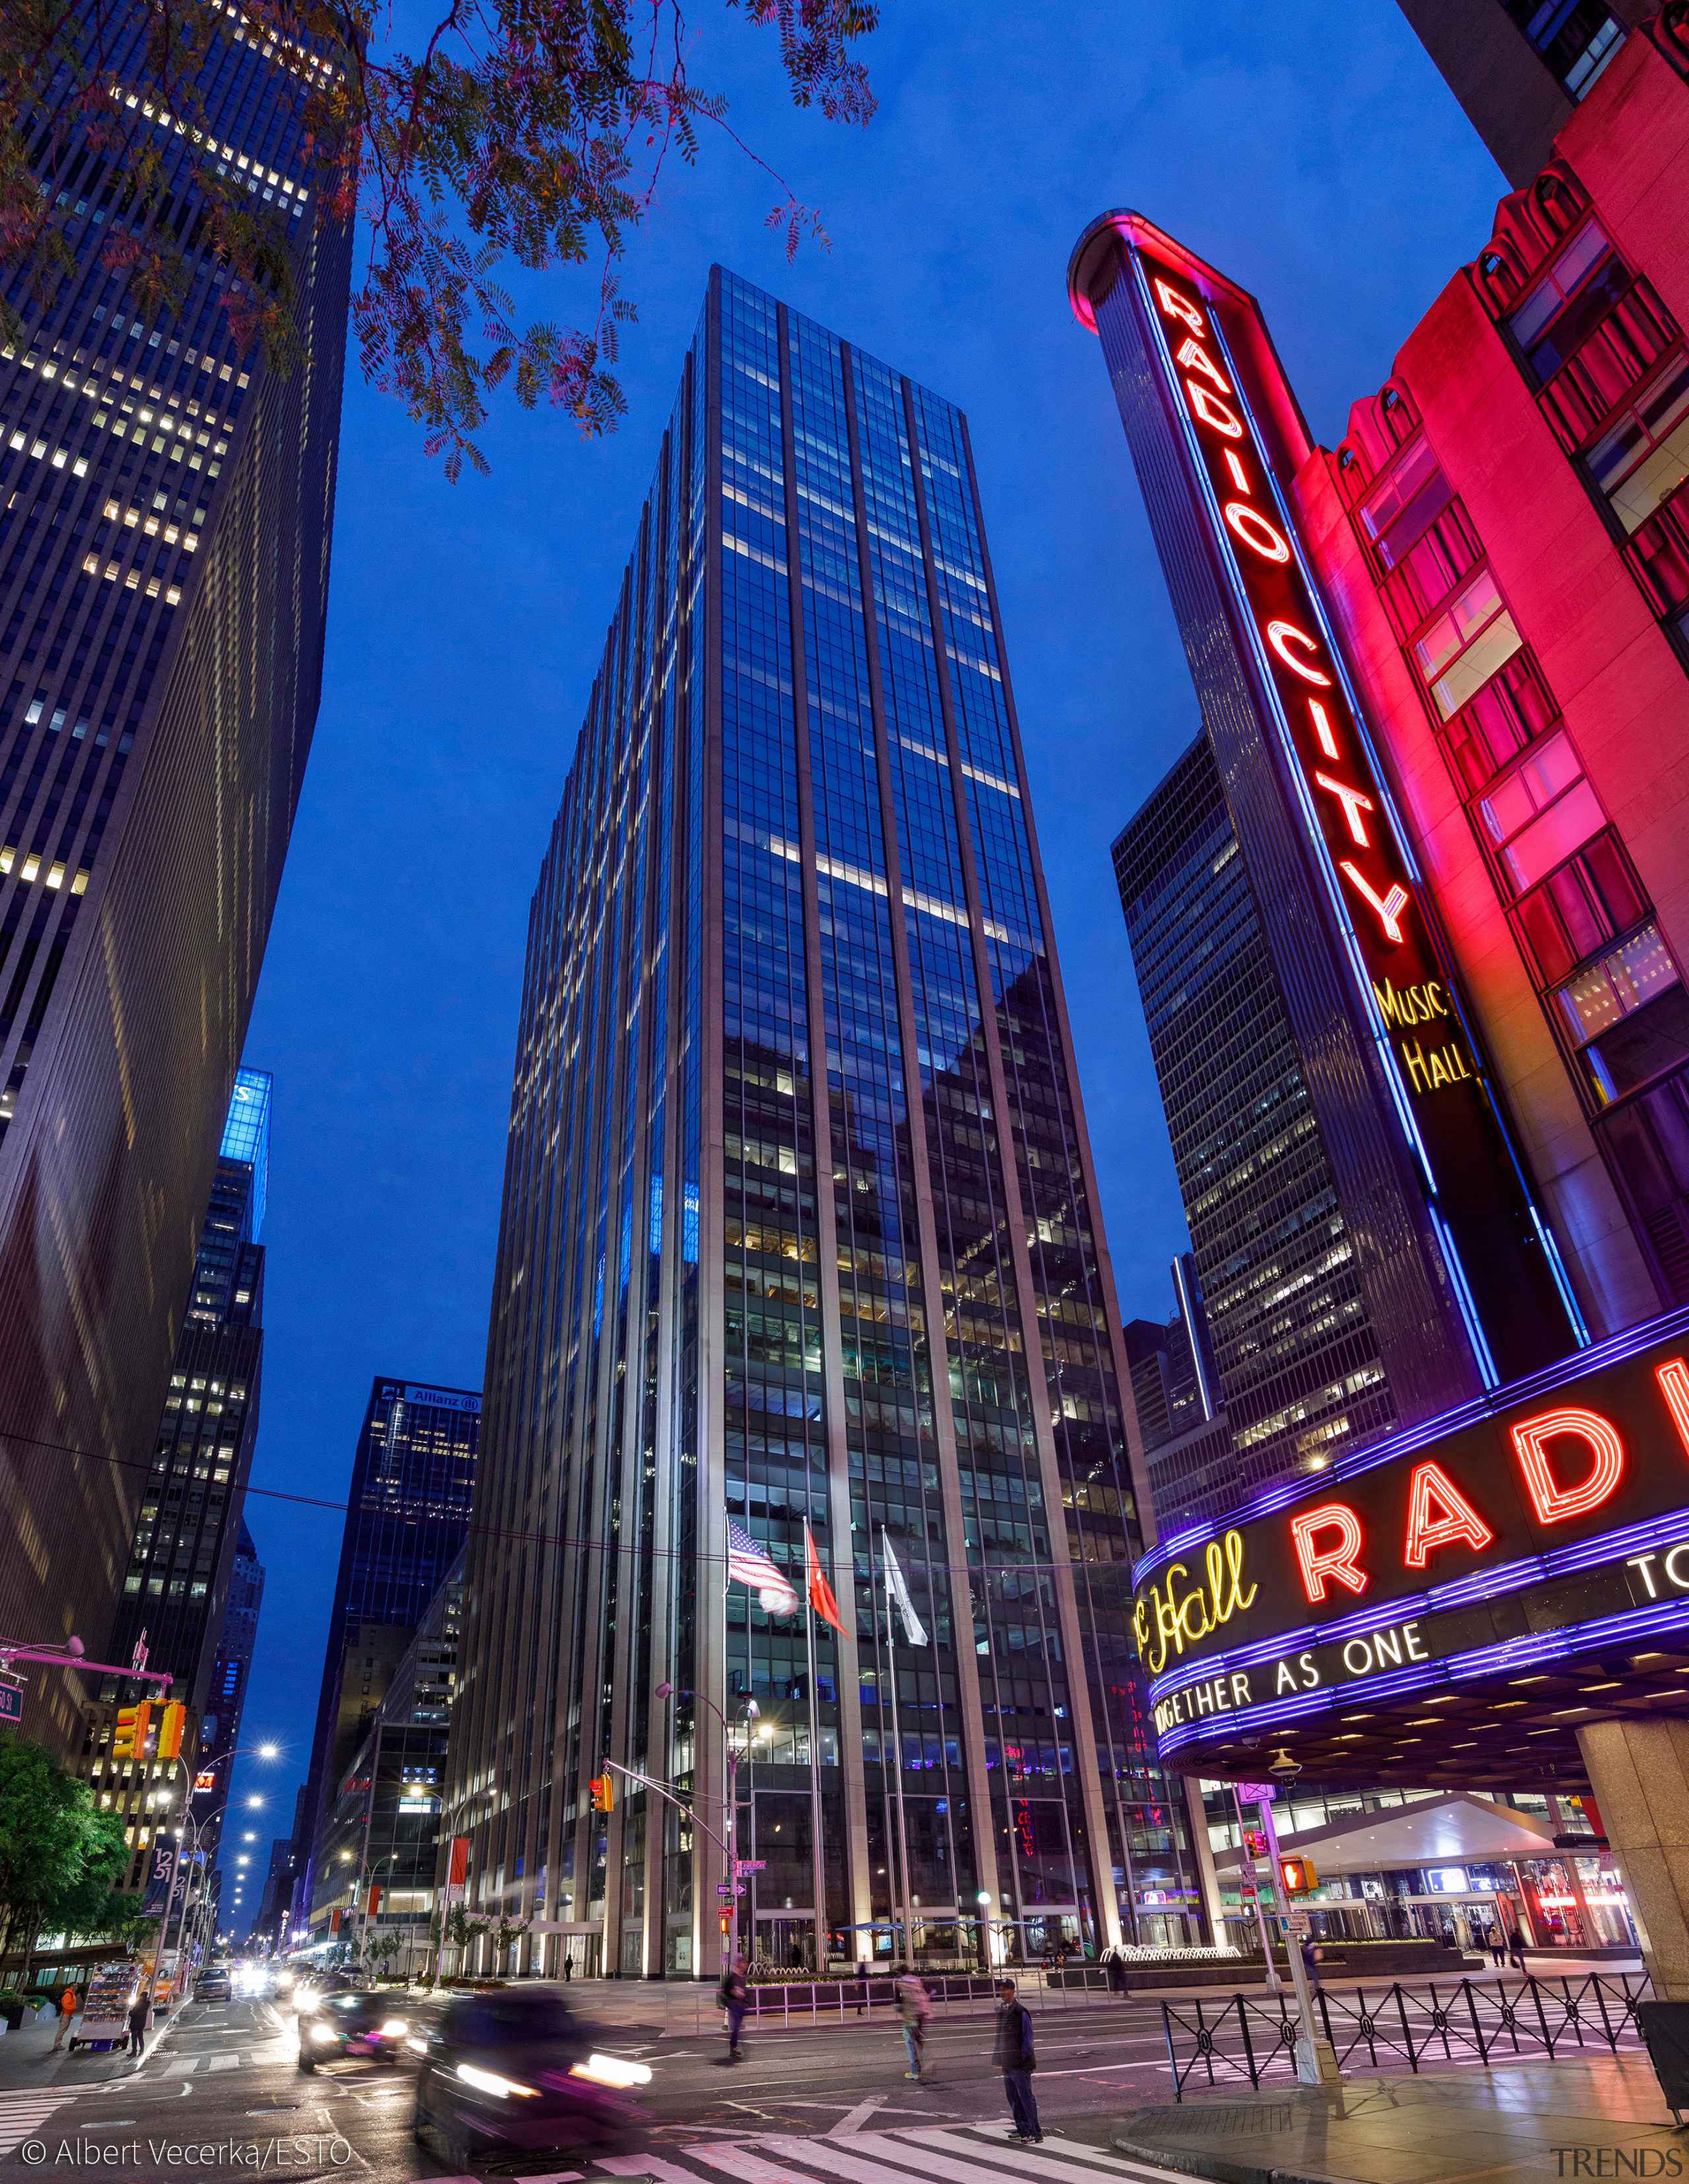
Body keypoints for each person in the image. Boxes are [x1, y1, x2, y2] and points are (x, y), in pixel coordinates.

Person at [992, 1978, 1040, 2144]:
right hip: (1008, 2064)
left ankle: (1035, 2132)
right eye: (1001, 1989)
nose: (1002, 1992)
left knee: (1026, 2097)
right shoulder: (1004, 2011)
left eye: (1006, 1989)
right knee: (1013, 2097)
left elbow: (1028, 2039)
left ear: (1013, 1991)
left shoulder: (1021, 2012)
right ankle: (1022, 2128)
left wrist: (1022, 2058)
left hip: (1020, 2065)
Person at [895, 1966, 931, 2082]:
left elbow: (898, 2005)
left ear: (900, 1973)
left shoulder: (901, 1984)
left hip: (910, 2017)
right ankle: (925, 2058)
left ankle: (915, 2071)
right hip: (921, 2014)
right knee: (918, 2038)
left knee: (909, 2041)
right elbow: (928, 1992)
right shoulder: (917, 1981)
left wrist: (899, 2008)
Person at [718, 1955, 748, 2065]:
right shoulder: (733, 1977)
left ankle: (734, 2047)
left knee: (738, 2026)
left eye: (747, 1964)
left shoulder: (743, 1977)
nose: (746, 1965)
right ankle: (733, 2046)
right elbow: (726, 1990)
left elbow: (745, 1991)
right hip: (734, 2004)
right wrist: (734, 1992)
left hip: (740, 2005)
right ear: (739, 1964)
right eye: (744, 1963)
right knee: (736, 2026)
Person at [126, 1987, 153, 2060]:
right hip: (142, 2023)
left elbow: (134, 2013)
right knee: (141, 2037)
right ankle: (142, 2050)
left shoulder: (139, 2003)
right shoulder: (147, 2004)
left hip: (135, 2023)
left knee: (134, 2038)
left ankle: (134, 2051)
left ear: (141, 1996)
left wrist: (130, 2012)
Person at [51, 1987, 77, 2051]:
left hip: (68, 2014)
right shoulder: (68, 1994)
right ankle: (57, 2045)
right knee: (61, 2030)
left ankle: (58, 2044)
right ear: (72, 1987)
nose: (77, 1987)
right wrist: (73, 2008)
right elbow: (65, 2005)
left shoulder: (71, 1994)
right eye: (75, 1986)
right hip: (66, 2015)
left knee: (63, 2030)